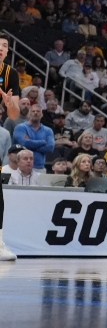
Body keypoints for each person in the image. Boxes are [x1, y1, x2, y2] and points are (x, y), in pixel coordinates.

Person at [0, 36, 20, 261]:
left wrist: (9, 103)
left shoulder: (10, 74)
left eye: (5, 46)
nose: (1, 49)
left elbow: (14, 116)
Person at [14, 105, 54, 172]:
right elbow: (25, 143)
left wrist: (30, 144)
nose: (35, 113)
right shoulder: (20, 128)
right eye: (33, 111)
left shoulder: (48, 130)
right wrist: (43, 142)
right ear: (29, 114)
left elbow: (50, 147)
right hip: (21, 167)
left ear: (42, 115)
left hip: (40, 167)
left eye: (38, 111)